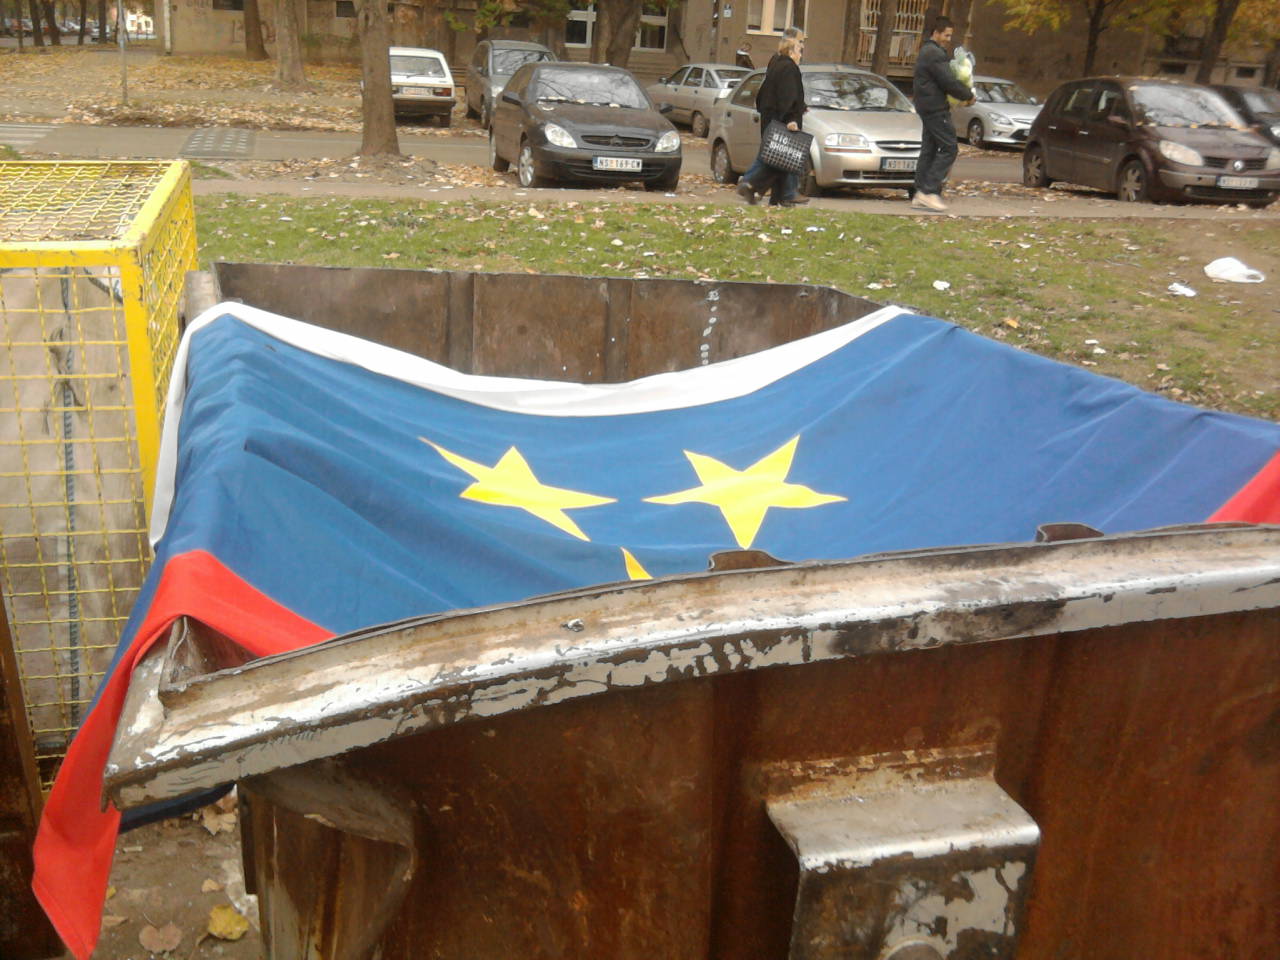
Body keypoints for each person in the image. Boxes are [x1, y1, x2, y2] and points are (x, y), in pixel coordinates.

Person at [736, 30, 809, 208]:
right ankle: (750, 183)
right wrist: (791, 118)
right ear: (791, 51)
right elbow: (788, 94)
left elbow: (770, 91)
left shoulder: (775, 62)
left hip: (770, 117)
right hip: (782, 118)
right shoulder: (789, 68)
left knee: (778, 157)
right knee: (780, 156)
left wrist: (801, 106)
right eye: (799, 49)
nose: (801, 54)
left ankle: (780, 197)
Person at [910, 15, 974, 212]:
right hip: (935, 107)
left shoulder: (927, 51)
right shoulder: (934, 54)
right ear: (936, 33)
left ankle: (919, 193)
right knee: (949, 148)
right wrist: (968, 95)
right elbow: (948, 81)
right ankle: (929, 191)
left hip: (926, 105)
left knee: (929, 149)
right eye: (946, 35)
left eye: (950, 35)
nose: (948, 39)